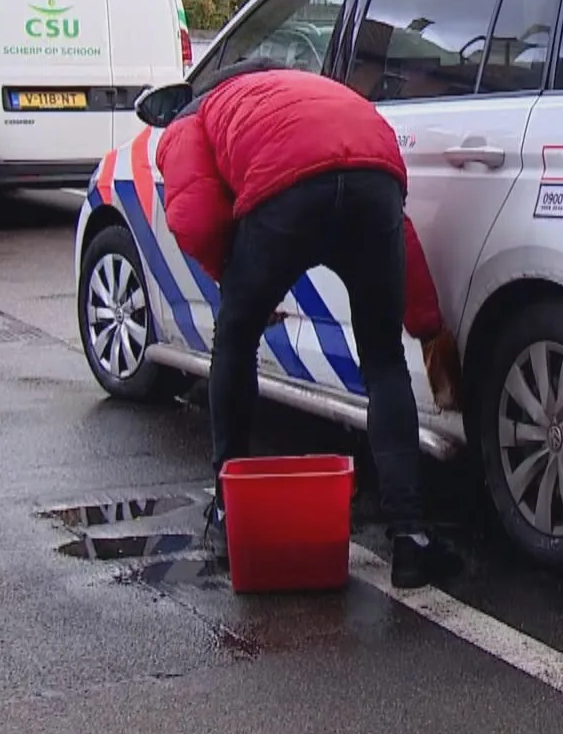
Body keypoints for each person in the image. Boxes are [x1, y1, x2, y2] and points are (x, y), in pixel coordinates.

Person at [156, 61, 463, 590]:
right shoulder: (311, 90)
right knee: (384, 360)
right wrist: (427, 326)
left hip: (287, 188)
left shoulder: (194, 117)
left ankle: (232, 512)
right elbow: (402, 236)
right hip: (376, 171)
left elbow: (195, 217)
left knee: (234, 340)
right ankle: (411, 538)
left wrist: (241, 291)